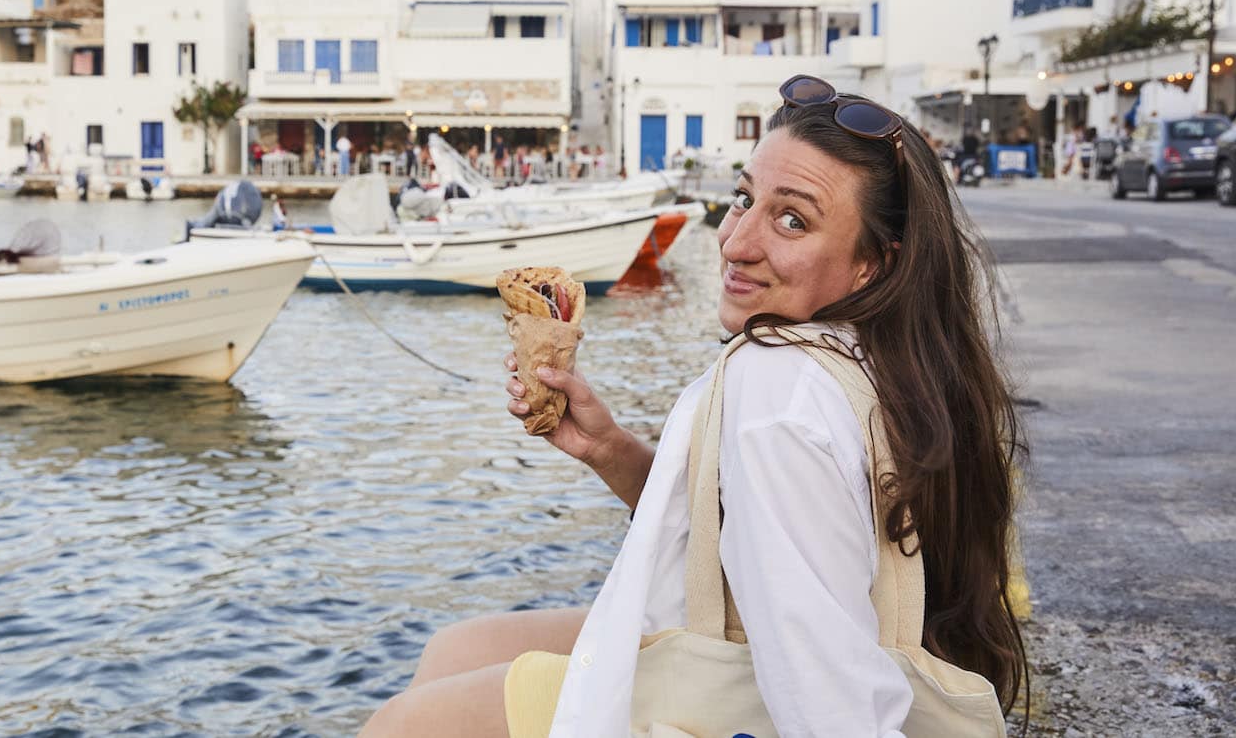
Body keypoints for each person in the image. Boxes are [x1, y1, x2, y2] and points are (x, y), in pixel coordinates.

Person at [361, 74, 1028, 737]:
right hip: (779, 659)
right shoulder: (899, 359)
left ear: (875, 265)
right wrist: (610, 449)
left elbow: (828, 692)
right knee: (456, 650)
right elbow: (770, 531)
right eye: (745, 199)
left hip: (748, 698)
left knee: (405, 727)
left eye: (793, 219)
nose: (737, 242)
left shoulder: (774, 384)